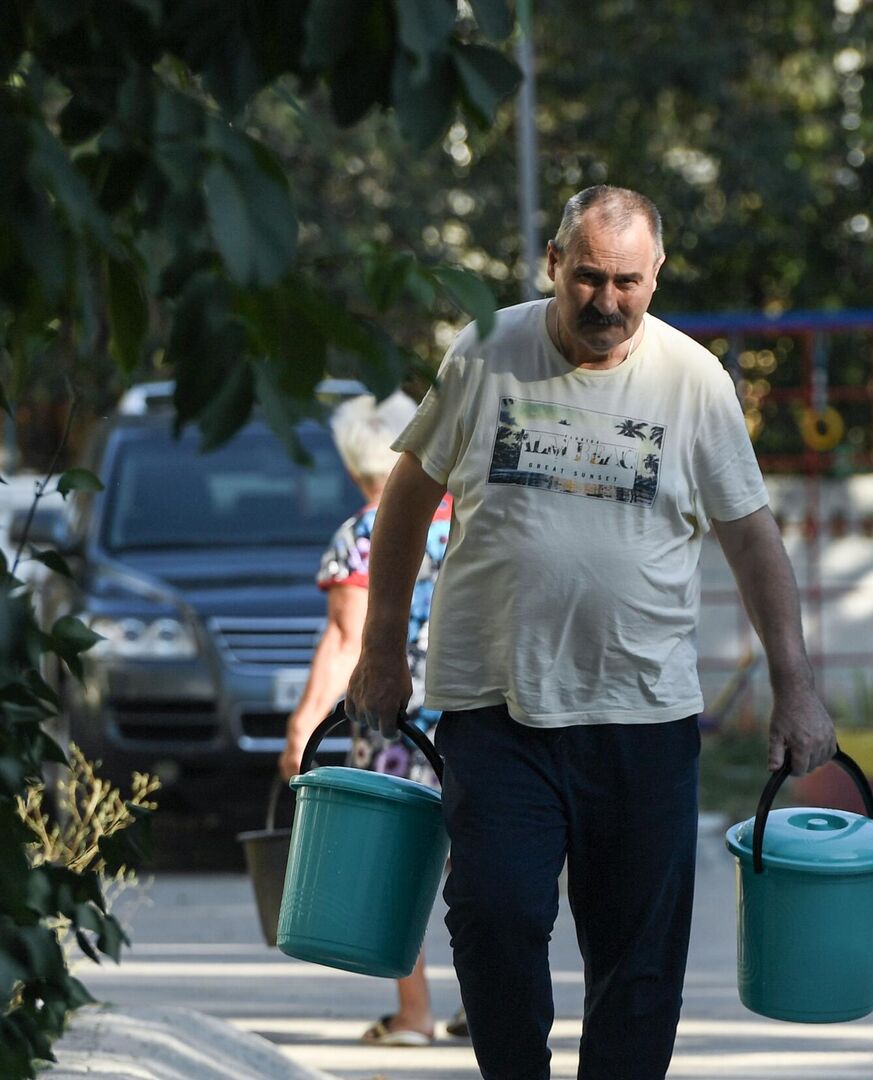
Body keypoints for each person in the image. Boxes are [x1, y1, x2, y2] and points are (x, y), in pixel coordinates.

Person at [344, 185, 836, 1079]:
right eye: (588, 279)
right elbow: (408, 493)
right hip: (495, 709)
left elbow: (752, 539)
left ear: (656, 277)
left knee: (639, 964)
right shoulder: (491, 348)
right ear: (552, 268)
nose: (607, 302)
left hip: (643, 717)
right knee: (493, 916)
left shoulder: (693, 381)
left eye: (626, 282)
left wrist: (794, 684)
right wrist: (380, 647)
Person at [278, 392, 466, 1047]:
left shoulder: (363, 532)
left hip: (396, 719)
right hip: (477, 711)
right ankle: (487, 1001)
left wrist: (303, 724)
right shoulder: (470, 517)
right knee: (480, 857)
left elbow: (344, 639)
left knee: (399, 859)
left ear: (358, 467)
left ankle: (414, 1013)